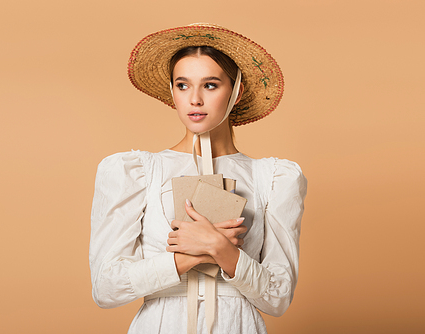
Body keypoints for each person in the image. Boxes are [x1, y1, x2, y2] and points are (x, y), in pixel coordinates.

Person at [89, 23, 307, 334]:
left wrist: (223, 250)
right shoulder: (136, 171)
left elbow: (278, 298)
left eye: (210, 85)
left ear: (236, 91)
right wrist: (187, 258)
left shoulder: (272, 178)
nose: (194, 99)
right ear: (172, 91)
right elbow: (106, 288)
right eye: (182, 85)